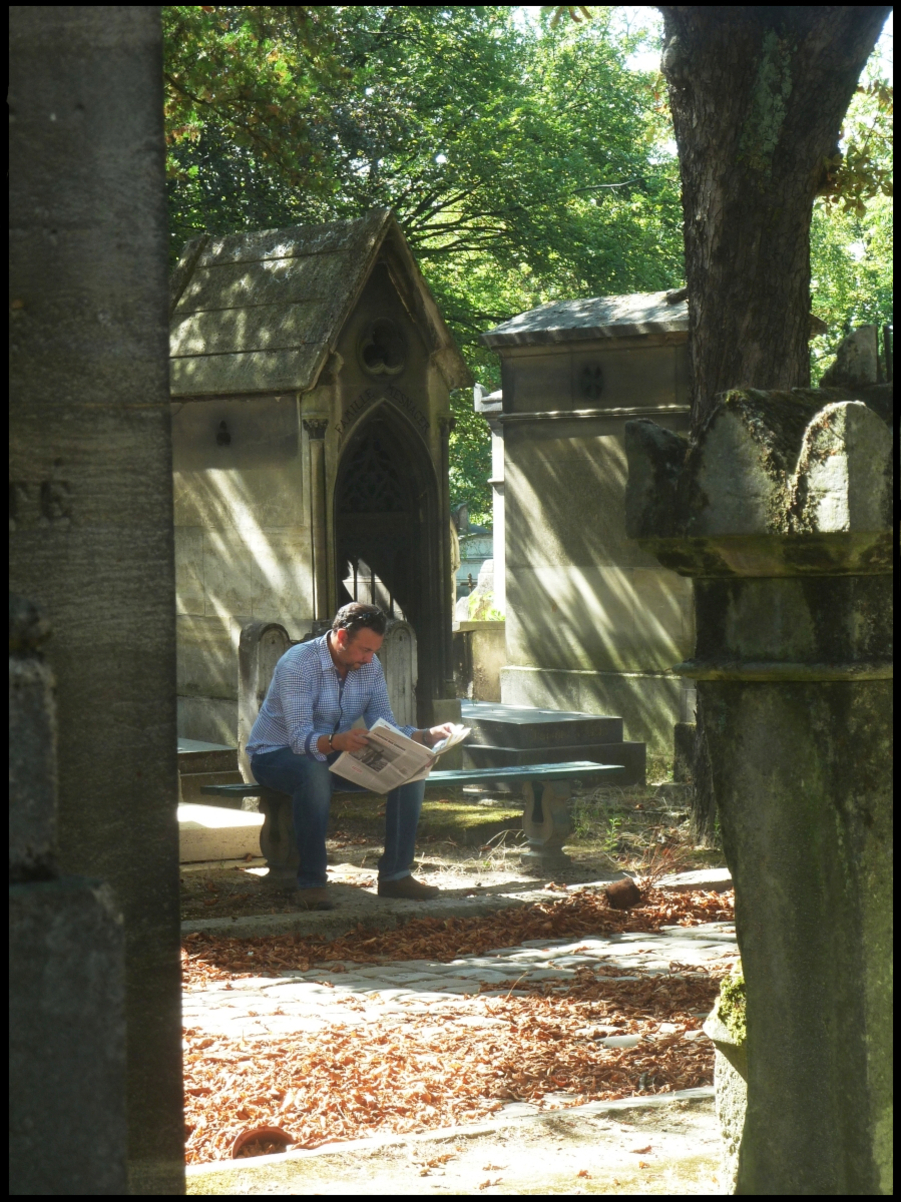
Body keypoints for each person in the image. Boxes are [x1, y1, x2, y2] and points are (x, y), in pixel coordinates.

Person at [246, 602, 455, 910]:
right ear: (342, 637)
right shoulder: (298, 664)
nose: (369, 659)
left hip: (333, 752)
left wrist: (425, 737)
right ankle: (312, 882)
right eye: (364, 650)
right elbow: (300, 740)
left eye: (374, 652)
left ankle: (396, 875)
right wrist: (338, 741)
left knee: (411, 768)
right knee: (313, 771)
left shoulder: (369, 666)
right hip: (276, 754)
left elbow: (386, 726)